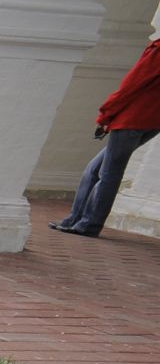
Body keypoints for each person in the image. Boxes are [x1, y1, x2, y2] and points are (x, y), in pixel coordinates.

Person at [52, 32, 160, 237]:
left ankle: (89, 224)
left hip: (133, 118)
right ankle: (75, 219)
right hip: (152, 121)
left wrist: (106, 114)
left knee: (108, 173)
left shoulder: (158, 50)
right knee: (94, 170)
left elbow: (131, 85)